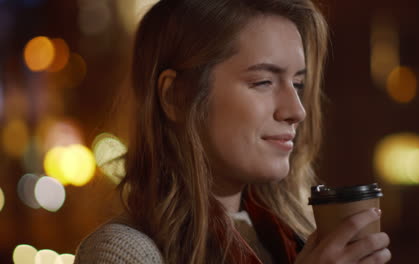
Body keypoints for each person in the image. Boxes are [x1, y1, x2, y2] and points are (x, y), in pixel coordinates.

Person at [74, 0, 391, 263]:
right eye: (263, 82)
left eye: (298, 84)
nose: (297, 110)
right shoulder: (124, 252)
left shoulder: (297, 240)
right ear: (176, 97)